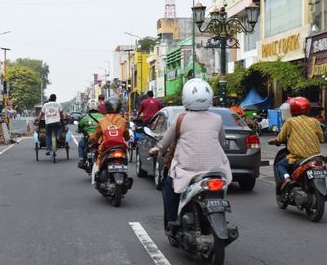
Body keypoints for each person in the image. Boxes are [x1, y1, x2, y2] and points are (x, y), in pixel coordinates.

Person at [149, 78, 232, 230]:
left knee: (169, 185)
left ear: (186, 97)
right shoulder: (217, 119)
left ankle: (172, 221)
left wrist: (156, 150)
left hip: (188, 171)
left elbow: (165, 143)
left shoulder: (181, 118)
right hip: (215, 170)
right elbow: (222, 143)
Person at [268, 97, 324, 195]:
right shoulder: (315, 121)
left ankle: (287, 179)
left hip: (298, 156)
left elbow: (280, 138)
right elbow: (321, 139)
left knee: (280, 165)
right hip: (314, 156)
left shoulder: (290, 122)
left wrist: (274, 141)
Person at [91, 96, 130, 169]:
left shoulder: (102, 120)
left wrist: (91, 139)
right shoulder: (123, 120)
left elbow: (96, 135)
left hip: (106, 146)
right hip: (121, 146)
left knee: (99, 158)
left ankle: (97, 175)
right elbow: (127, 137)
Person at [77, 99, 104, 168]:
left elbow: (79, 128)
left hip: (89, 139)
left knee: (80, 144)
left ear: (88, 107)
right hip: (100, 139)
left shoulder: (85, 118)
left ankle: (81, 160)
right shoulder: (103, 117)